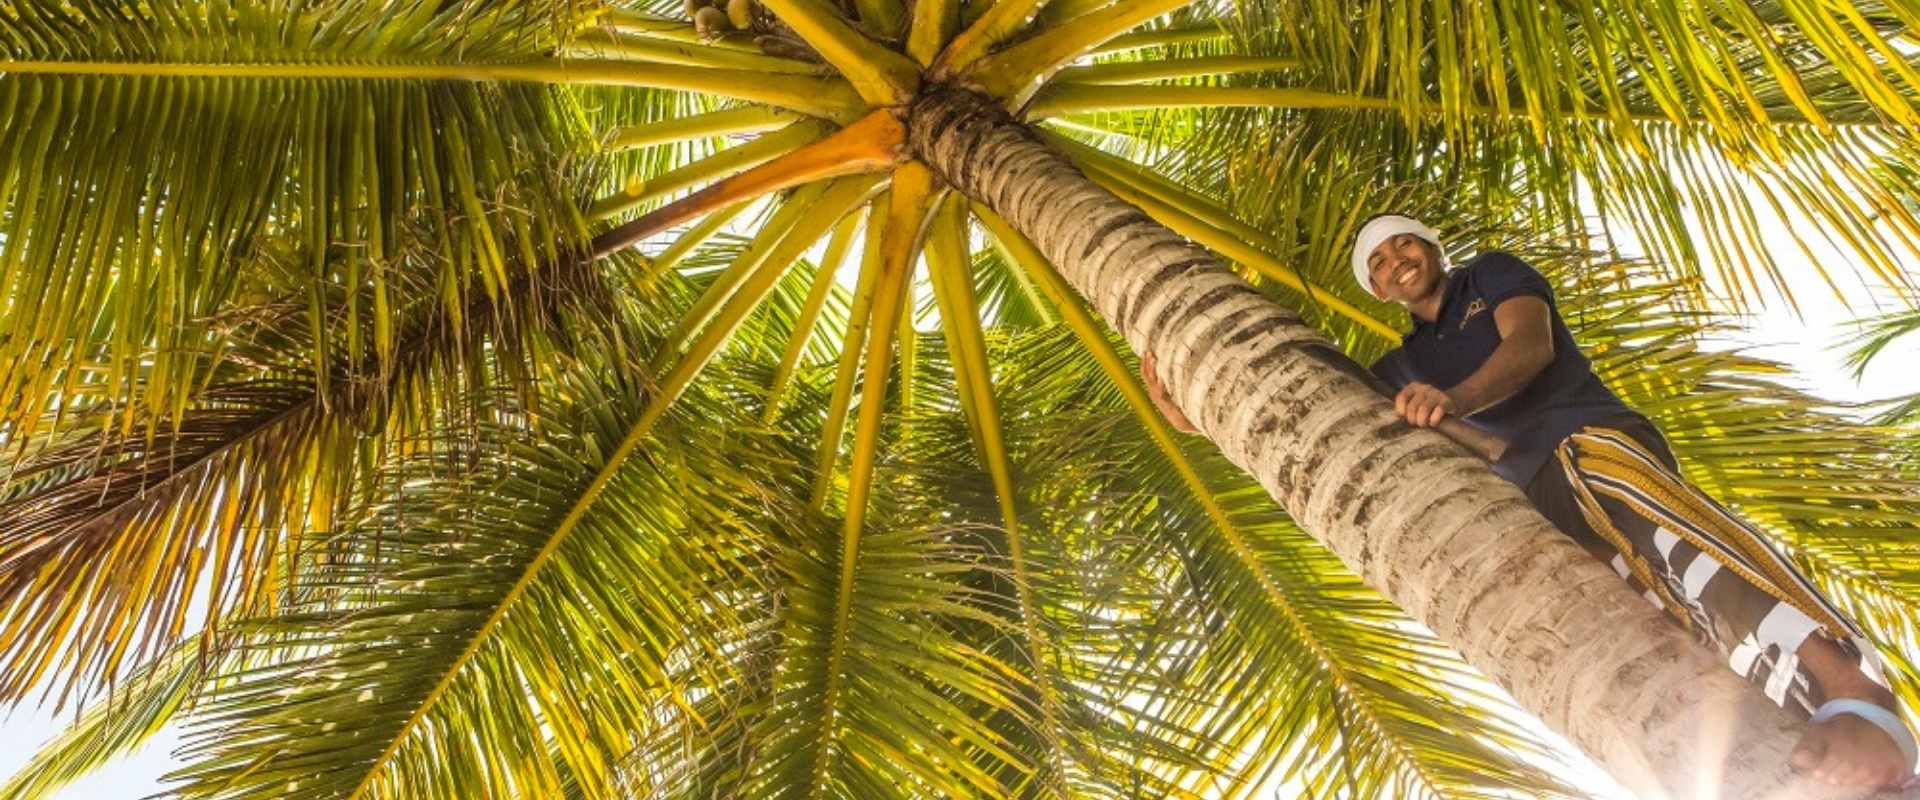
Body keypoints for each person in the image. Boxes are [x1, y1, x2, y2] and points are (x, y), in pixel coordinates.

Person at [1140, 214, 1915, 789]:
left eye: (1403, 243)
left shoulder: (1490, 279)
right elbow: (1323, 428)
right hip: (1533, 499)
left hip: (1588, 443)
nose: (1395, 260)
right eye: (1377, 261)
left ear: (1431, 247)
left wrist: (1452, 397)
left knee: (1693, 556)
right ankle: (1799, 742)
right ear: (1375, 288)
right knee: (1674, 622)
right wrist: (1205, 413)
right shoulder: (1397, 363)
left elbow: (1530, 347)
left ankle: (1857, 698)